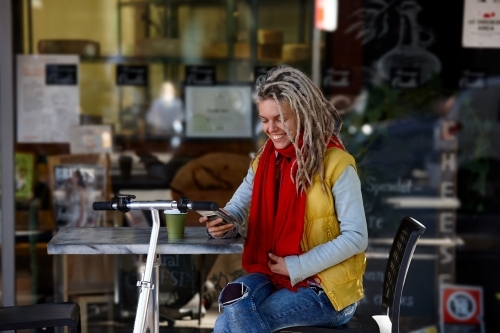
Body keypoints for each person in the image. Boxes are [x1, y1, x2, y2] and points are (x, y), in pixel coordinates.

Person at [199, 65, 368, 332]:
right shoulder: (267, 159)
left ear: (303, 115)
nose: (271, 128)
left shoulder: (337, 164)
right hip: (276, 276)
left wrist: (298, 265)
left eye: (280, 119)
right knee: (232, 302)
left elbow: (356, 237)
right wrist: (225, 221)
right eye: (265, 120)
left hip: (328, 291)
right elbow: (239, 205)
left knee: (227, 325)